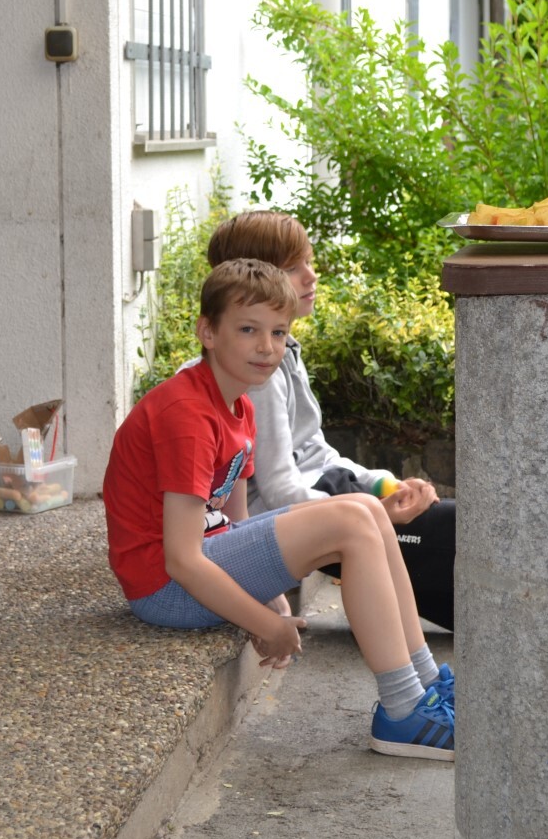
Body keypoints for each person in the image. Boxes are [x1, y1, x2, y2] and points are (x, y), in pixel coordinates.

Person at [103, 258, 455, 759]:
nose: (267, 347)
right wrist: (266, 624)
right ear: (207, 332)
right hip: (164, 589)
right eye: (248, 330)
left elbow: (235, 523)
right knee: (350, 521)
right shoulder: (187, 415)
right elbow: (181, 559)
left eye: (278, 332)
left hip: (198, 564)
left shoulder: (240, 405)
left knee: (365, 507)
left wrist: (269, 595)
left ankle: (424, 686)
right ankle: (402, 711)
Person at [202, 211, 456, 631]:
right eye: (293, 268)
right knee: (457, 536)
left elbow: (317, 452)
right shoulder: (256, 374)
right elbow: (279, 492)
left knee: (454, 528)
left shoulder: (284, 351)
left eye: (309, 261)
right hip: (304, 516)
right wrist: (370, 511)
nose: (311, 276)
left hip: (330, 496)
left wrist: (385, 484)